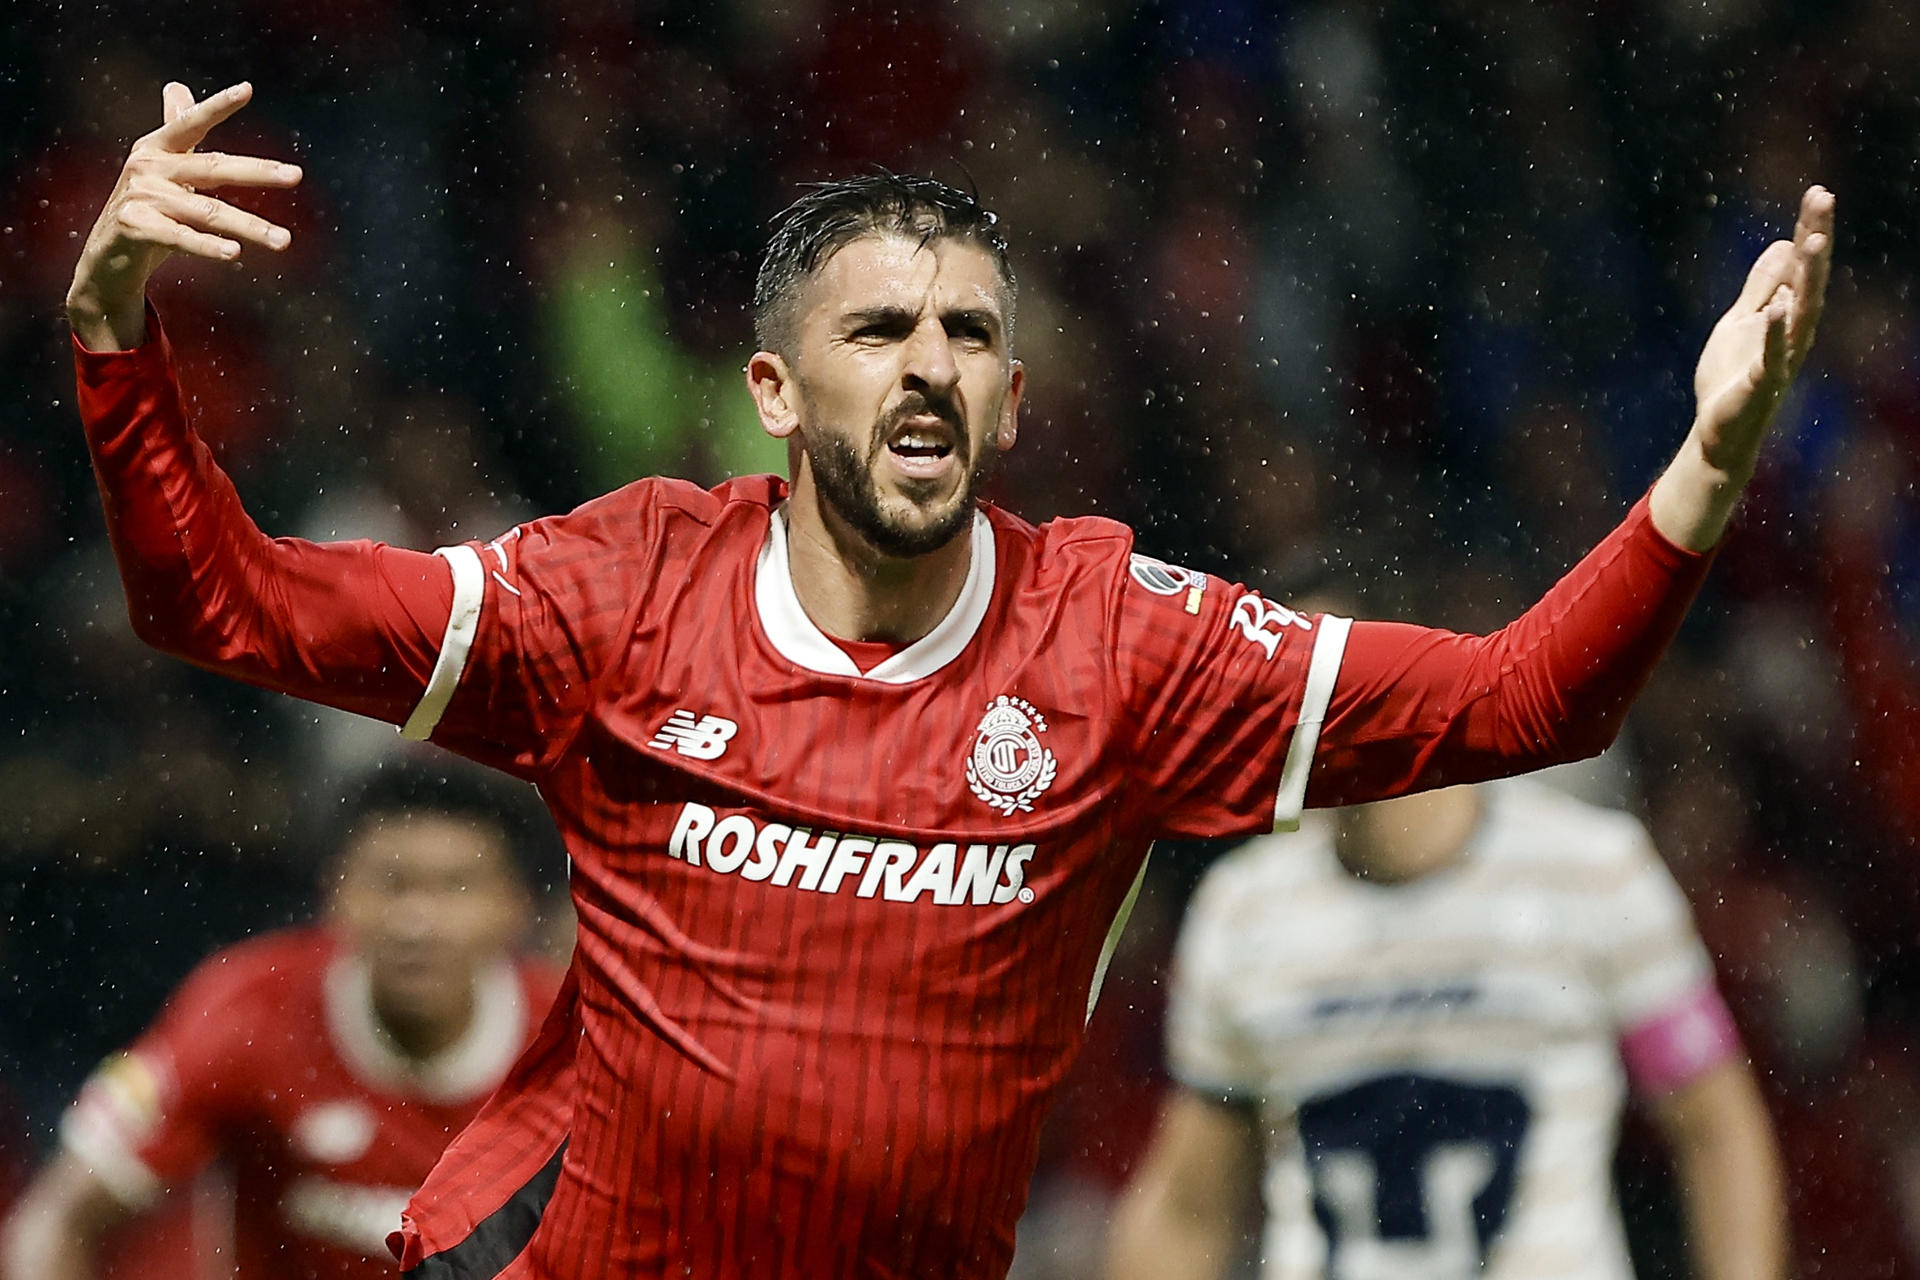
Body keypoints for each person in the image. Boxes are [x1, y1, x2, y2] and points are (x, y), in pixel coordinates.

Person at [58, 78, 1831, 1280]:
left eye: (970, 335)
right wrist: (115, 338)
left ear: (1013, 399)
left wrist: (1704, 467)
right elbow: (229, 607)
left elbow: (1531, 702)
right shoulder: (619, 588)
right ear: (772, 389)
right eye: (881, 331)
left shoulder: (1121, 642)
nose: (929, 369)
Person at [1104, 779, 1786, 1280]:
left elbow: (1715, 1128)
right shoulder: (1244, 910)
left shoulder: (1590, 870)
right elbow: (1189, 1205)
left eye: (1309, 691)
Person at [0, 767, 563, 1280]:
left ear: (515, 907)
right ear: (335, 891)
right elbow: (58, 1218)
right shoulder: (248, 1010)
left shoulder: (575, 1042)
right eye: (391, 883)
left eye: (454, 887)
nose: (417, 921)